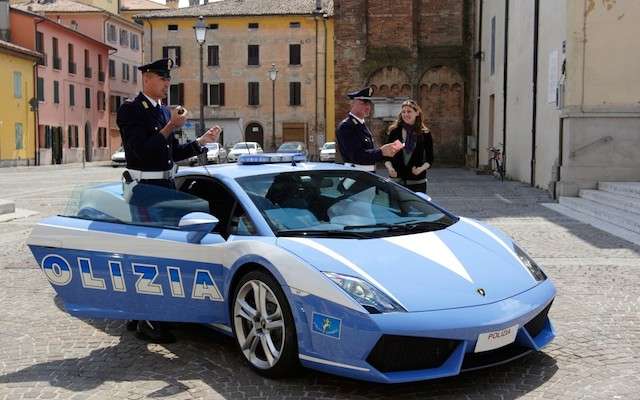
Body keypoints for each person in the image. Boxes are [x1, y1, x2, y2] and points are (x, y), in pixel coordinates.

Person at [116, 58, 221, 343]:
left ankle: (144, 313)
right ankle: (148, 319)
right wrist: (169, 127)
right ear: (147, 78)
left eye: (168, 80)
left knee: (164, 252)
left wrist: (202, 141)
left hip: (165, 185)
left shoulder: (164, 112)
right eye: (162, 79)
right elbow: (142, 149)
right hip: (144, 189)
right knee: (147, 255)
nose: (167, 84)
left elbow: (172, 153)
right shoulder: (130, 110)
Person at [335, 86, 404, 172]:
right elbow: (357, 156)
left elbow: (369, 154)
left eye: (369, 103)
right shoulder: (346, 126)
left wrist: (387, 151)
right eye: (363, 103)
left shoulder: (361, 124)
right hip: (355, 175)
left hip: (367, 175)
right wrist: (381, 152)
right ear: (352, 104)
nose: (368, 107)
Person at [384, 99, 434, 193]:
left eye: (409, 111)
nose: (406, 114)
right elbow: (387, 156)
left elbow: (430, 159)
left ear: (417, 113)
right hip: (396, 180)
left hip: (417, 181)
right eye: (403, 112)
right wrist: (390, 168)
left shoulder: (425, 133)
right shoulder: (394, 131)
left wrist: (420, 169)